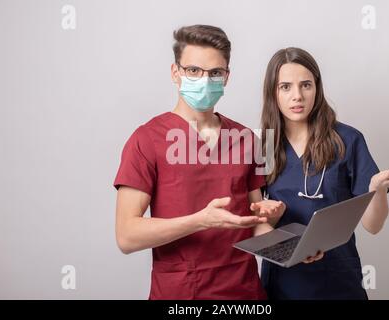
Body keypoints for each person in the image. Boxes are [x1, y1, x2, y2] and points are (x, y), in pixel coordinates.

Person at [112, 25, 285, 300]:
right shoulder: (147, 140)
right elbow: (127, 236)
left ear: (226, 77)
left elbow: (254, 222)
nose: (204, 80)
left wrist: (294, 248)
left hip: (245, 292)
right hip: (182, 292)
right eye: (193, 71)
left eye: (215, 73)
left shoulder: (246, 139)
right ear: (175, 72)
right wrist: (200, 221)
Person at [259, 47, 389, 299]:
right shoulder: (266, 146)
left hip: (337, 280)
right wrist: (281, 235)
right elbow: (256, 222)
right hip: (283, 284)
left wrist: (376, 189)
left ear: (317, 87)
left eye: (306, 85)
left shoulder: (348, 140)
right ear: (273, 93)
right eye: (285, 87)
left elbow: (373, 225)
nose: (297, 96)